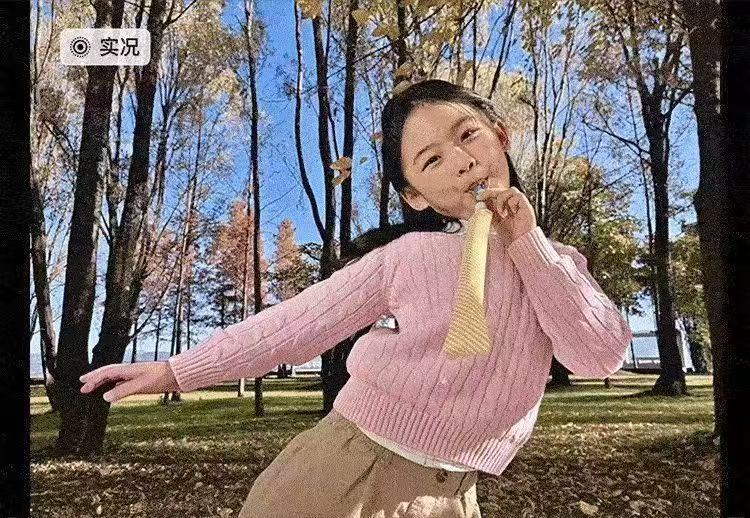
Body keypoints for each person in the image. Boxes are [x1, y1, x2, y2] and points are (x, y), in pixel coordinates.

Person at [80, 79, 633, 518]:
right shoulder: (408, 256)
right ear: (415, 195)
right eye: (431, 160)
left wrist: (528, 245)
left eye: (468, 135)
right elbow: (294, 325)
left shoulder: (556, 264)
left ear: (501, 135)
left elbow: (597, 356)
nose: (462, 161)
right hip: (343, 473)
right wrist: (177, 371)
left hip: (455, 495)